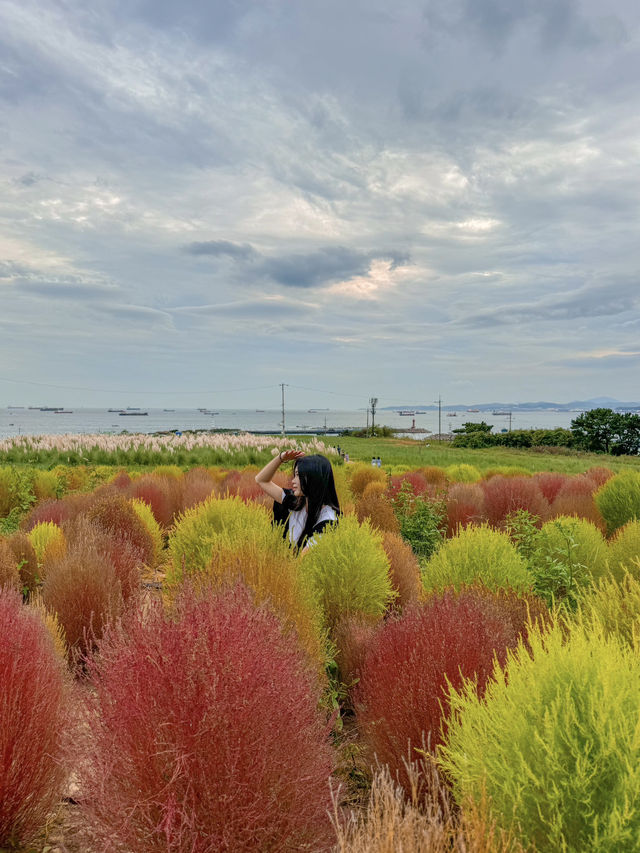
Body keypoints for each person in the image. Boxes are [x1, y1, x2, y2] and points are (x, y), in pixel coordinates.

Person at [255, 449, 340, 552]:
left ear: (314, 479)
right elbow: (261, 480)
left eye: (299, 476)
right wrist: (281, 458)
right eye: (295, 475)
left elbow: (301, 563)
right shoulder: (294, 501)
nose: (293, 481)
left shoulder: (327, 521)